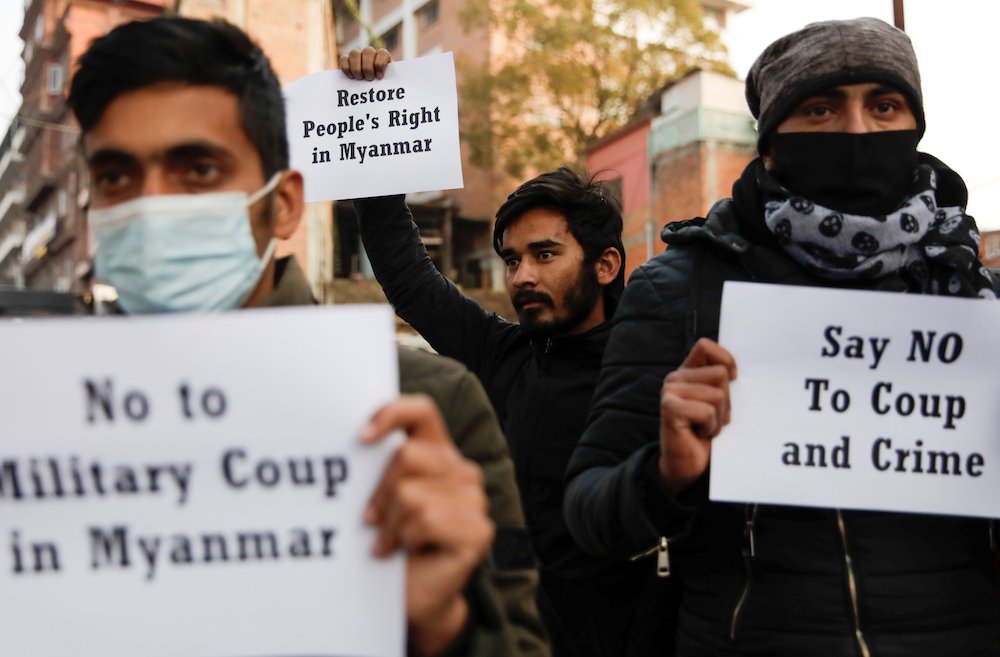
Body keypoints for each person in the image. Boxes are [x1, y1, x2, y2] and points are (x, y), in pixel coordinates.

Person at [67, 17, 548, 657]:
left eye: (199, 169)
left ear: (285, 204)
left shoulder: (428, 410)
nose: (152, 208)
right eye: (118, 176)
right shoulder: (42, 419)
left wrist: (447, 629)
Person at [564, 17, 1000, 657]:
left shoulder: (973, 291)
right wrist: (665, 473)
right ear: (769, 143)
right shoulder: (677, 289)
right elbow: (587, 511)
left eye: (884, 106)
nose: (856, 130)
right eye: (820, 109)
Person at [341, 48, 668, 657]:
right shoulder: (501, 353)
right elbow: (409, 276)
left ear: (605, 265)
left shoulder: (655, 367)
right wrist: (371, 130)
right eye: (512, 259)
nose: (521, 276)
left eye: (544, 255)